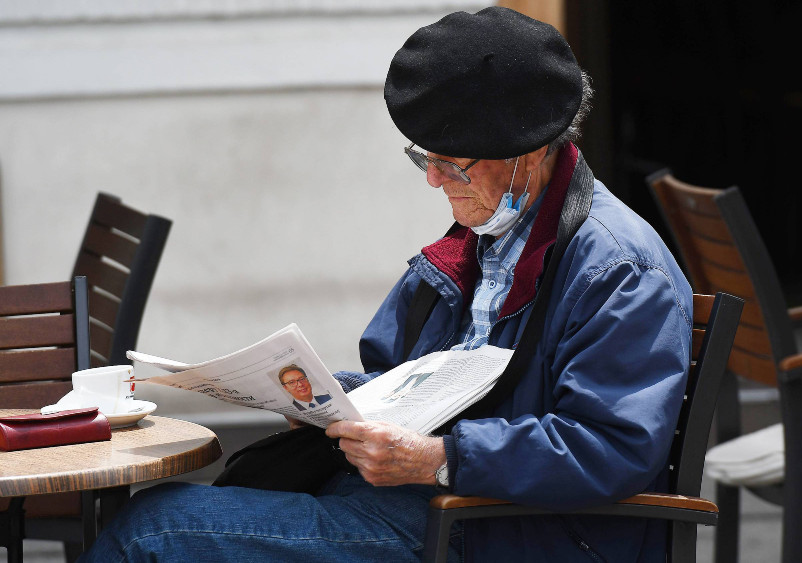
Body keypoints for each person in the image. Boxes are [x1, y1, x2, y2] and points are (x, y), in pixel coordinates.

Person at [80, 7, 693, 562]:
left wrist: (441, 459)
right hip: (420, 502)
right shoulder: (489, 236)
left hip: (501, 530)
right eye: (422, 156)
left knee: (155, 528)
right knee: (165, 509)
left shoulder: (618, 268)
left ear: (530, 152)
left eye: (452, 162)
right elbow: (408, 378)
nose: (432, 180)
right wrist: (319, 398)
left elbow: (610, 446)